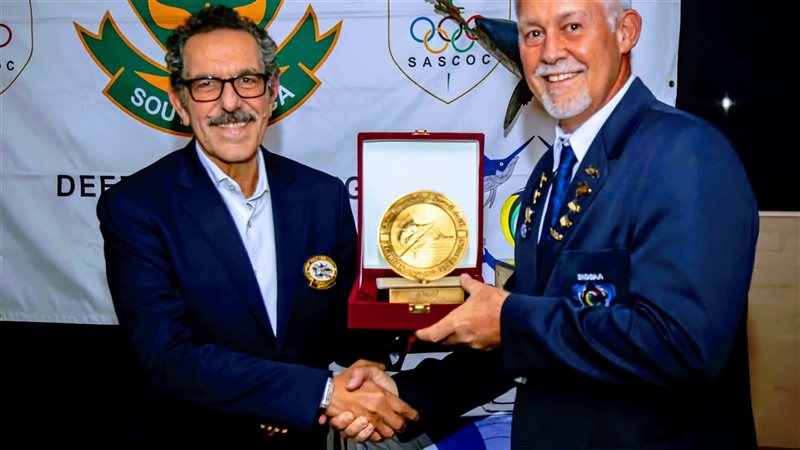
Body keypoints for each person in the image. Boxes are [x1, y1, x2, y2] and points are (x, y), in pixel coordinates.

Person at [337, 1, 760, 449]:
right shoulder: (551, 172)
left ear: (626, 32)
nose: (551, 52)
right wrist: (404, 394)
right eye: (533, 33)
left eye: (572, 26)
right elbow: (524, 331)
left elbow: (682, 346)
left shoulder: (686, 154)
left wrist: (511, 321)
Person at [97, 5, 415, 449]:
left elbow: (345, 325)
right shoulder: (137, 207)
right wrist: (325, 393)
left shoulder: (321, 196)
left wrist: (371, 361)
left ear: (272, 92)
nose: (231, 103)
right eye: (206, 84)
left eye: (247, 80)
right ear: (180, 104)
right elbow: (168, 359)